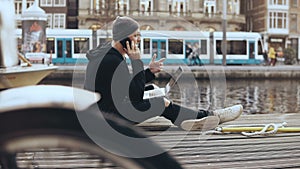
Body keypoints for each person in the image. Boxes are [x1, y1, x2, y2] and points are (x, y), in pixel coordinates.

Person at [84, 16, 243, 131]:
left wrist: (148, 72)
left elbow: (124, 88)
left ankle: (195, 118)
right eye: (135, 35)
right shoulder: (113, 61)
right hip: (108, 119)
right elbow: (134, 96)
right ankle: (209, 116)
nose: (139, 39)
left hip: (102, 112)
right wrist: (136, 61)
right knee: (160, 103)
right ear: (124, 38)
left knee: (152, 90)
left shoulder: (109, 54)